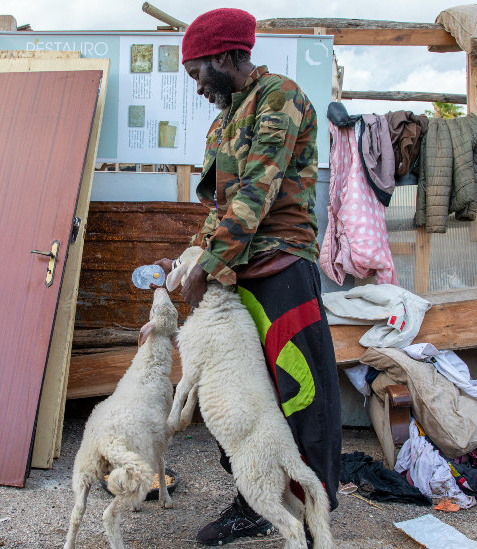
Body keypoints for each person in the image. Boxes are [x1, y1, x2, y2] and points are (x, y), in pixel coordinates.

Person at [153, 8, 342, 547]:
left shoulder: (278, 97)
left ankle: (315, 508)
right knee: (236, 397)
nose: (195, 86)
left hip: (282, 264)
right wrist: (197, 255)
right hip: (238, 273)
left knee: (299, 391)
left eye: (196, 73)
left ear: (221, 55)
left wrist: (208, 267)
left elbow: (257, 193)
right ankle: (255, 498)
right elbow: (221, 206)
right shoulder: (223, 120)